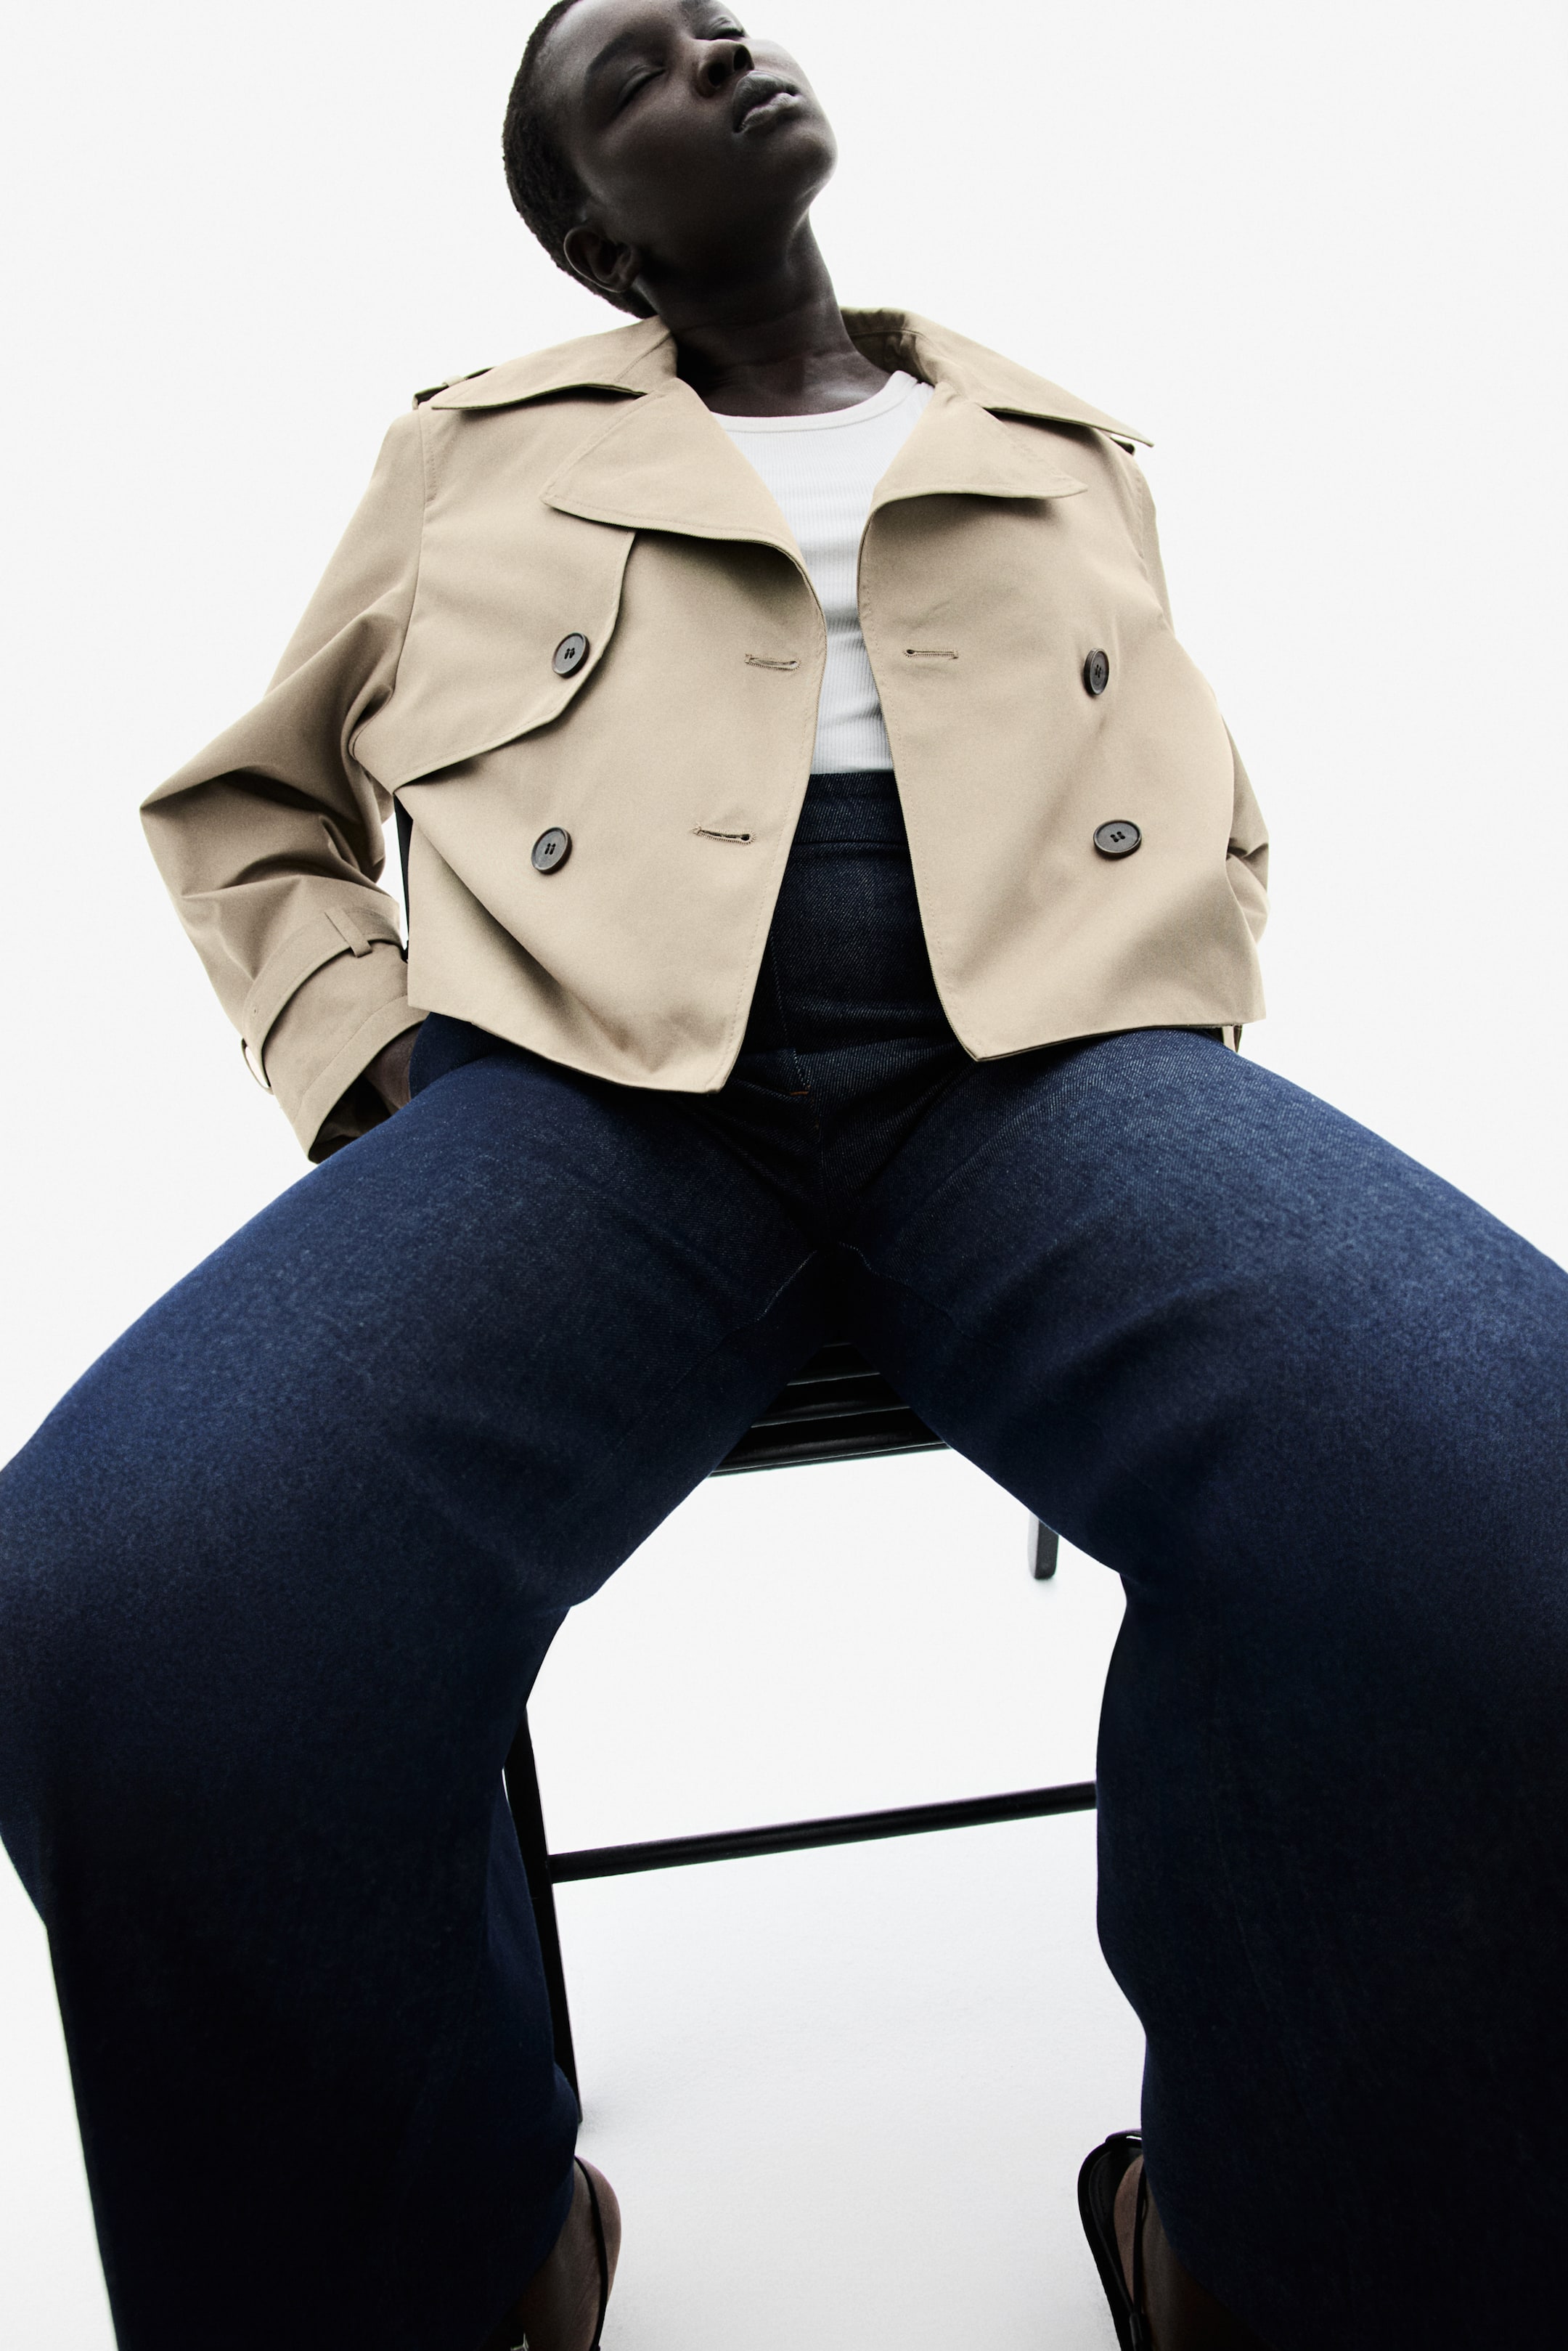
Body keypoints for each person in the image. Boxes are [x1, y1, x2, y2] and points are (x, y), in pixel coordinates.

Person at [1, 2, 1564, 2344]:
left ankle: (1268, 2261)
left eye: (720, 18)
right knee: (122, 1616)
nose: (716, 42)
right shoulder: (470, 448)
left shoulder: (1057, 441)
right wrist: (378, 1058)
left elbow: (1198, 779)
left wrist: (1179, 995)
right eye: (632, 67)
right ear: (591, 232)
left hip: (1051, 1078)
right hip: (583, 1103)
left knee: (1511, 1504)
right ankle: (473, 2264)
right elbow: (247, 806)